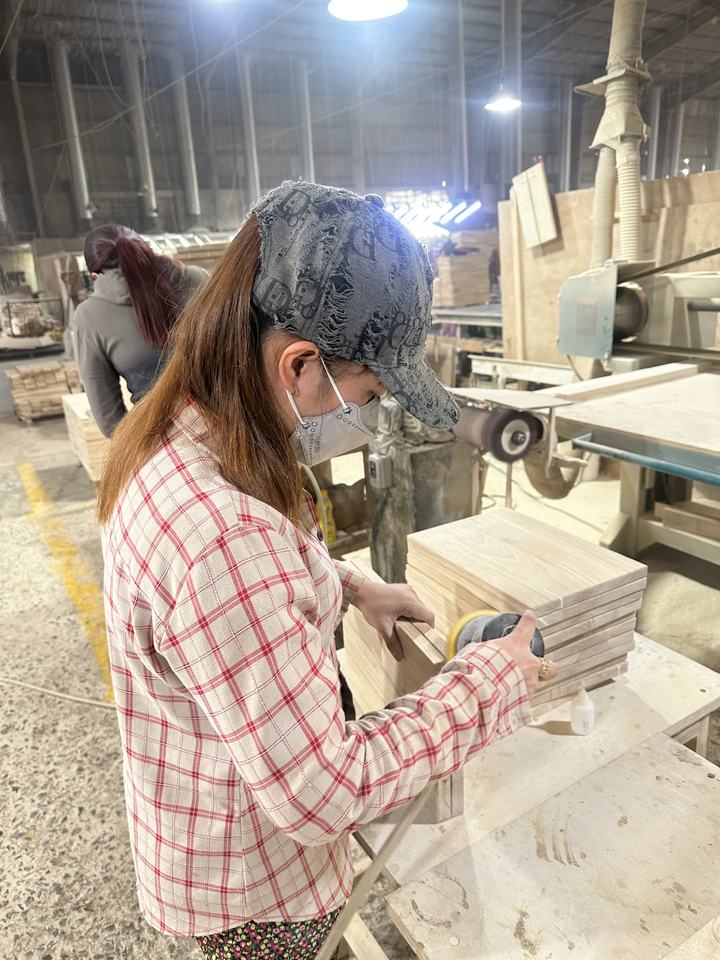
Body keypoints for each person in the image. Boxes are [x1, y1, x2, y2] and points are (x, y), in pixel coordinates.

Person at [97, 182, 555, 959]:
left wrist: (350, 585)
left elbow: (239, 583)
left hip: (216, 815)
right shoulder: (222, 537)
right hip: (255, 887)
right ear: (301, 363)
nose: (365, 414)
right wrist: (488, 685)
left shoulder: (185, 428)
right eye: (367, 392)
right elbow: (321, 794)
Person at [72, 224, 208, 437]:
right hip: (239, 425)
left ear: (96, 276)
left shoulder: (89, 316)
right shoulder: (198, 278)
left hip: (164, 437)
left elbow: (110, 421)